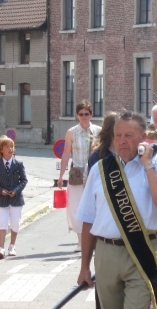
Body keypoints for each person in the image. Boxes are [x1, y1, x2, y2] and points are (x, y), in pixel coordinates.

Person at [76, 111, 157, 309]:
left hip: (143, 249)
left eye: (128, 136)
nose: (121, 141)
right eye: (118, 135)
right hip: (106, 253)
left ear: (143, 137)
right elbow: (88, 219)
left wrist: (147, 164)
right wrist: (84, 266)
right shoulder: (101, 169)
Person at [58, 100, 102, 252]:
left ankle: (94, 239)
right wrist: (61, 176)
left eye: (87, 114)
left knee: (95, 206)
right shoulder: (72, 132)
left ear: (91, 115)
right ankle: (80, 241)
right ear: (77, 115)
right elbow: (65, 154)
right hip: (77, 173)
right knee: (76, 207)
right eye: (81, 114)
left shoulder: (98, 131)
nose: (84, 117)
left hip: (94, 172)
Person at [0, 135, 27, 259]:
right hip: (2, 199)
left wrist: (16, 191)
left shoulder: (18, 164)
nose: (10, 149)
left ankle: (12, 245)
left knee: (15, 223)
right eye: (7, 147)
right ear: (1, 149)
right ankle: (1, 247)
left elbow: (24, 180)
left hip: (16, 199)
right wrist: (0, 191)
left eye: (12, 146)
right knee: (2, 223)